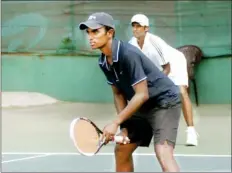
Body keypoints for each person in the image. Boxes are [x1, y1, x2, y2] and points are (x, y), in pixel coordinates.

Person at [79, 12, 181, 172]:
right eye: (88, 32)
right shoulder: (103, 62)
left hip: (164, 102)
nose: (91, 37)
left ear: (110, 32)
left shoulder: (128, 54)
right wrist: (125, 127)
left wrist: (115, 123)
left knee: (163, 152)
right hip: (141, 106)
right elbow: (118, 94)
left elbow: (142, 94)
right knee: (122, 149)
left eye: (96, 31)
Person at [129, 14, 199, 146]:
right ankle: (133, 130)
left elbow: (167, 67)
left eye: (139, 26)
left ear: (146, 28)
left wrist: (156, 84)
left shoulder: (155, 42)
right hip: (156, 68)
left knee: (181, 91)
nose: (135, 29)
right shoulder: (131, 44)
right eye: (133, 26)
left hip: (173, 63)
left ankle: (191, 131)